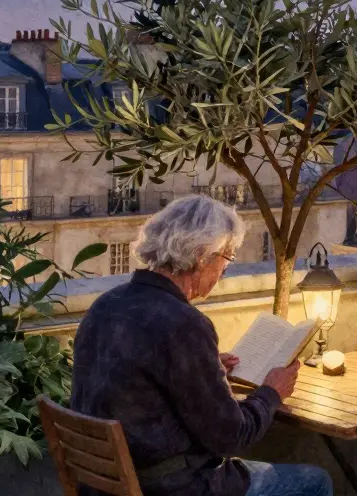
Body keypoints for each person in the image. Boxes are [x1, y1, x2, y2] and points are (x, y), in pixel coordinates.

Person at [71, 195, 332, 496]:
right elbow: (232, 436)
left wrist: (205, 366)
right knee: (314, 481)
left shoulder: (106, 305)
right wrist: (271, 392)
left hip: (102, 485)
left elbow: (140, 380)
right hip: (170, 487)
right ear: (201, 256)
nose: (225, 271)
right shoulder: (184, 324)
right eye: (227, 258)